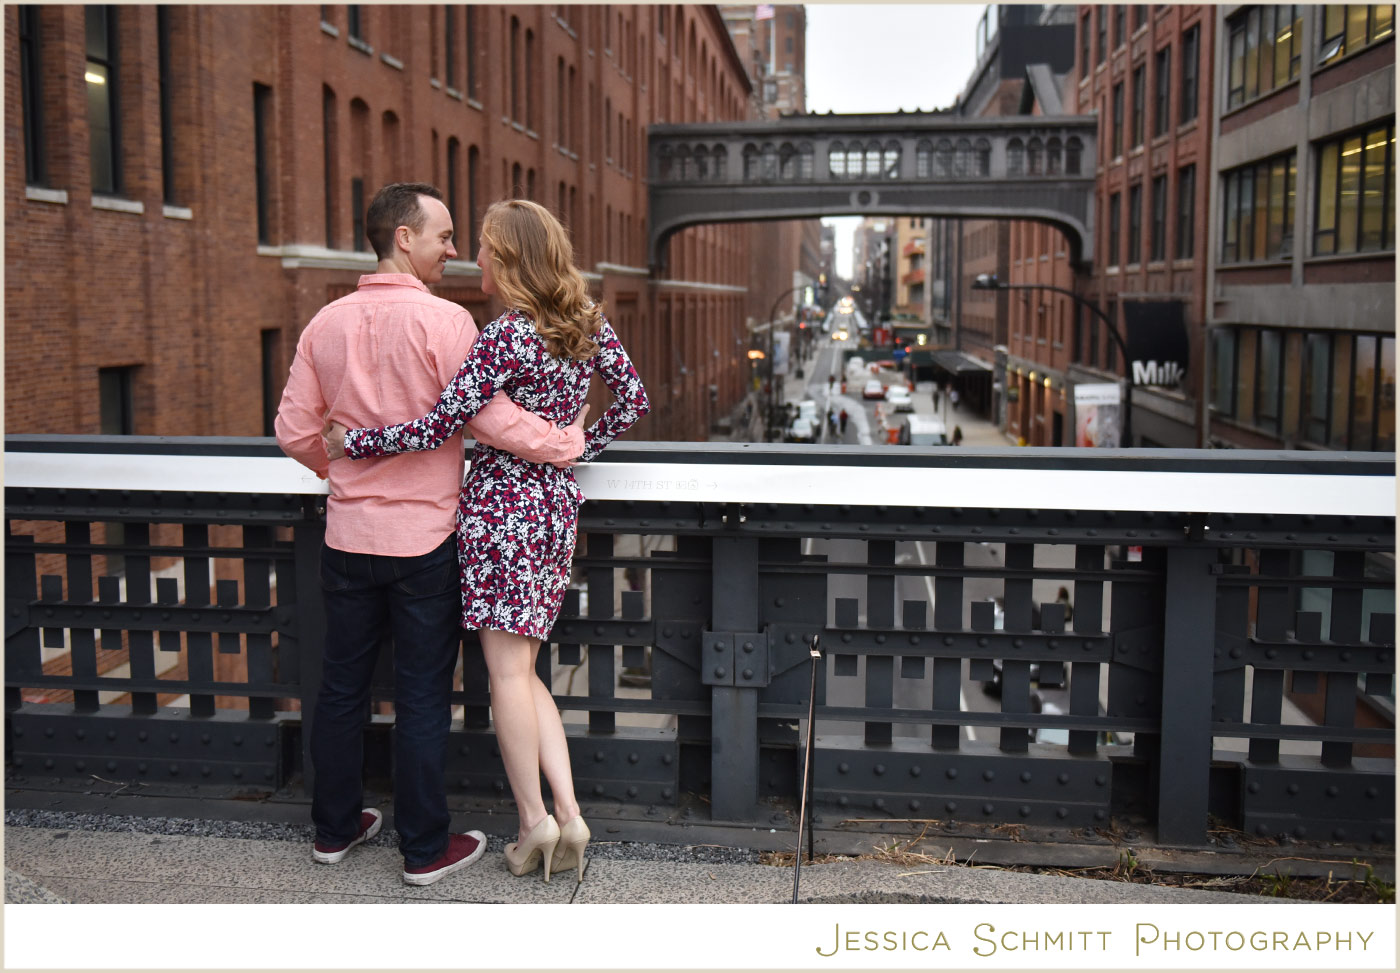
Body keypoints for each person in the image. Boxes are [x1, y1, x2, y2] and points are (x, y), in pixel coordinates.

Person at [327, 199, 650, 885]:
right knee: (525, 669)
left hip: (501, 507)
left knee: (507, 673)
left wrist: (355, 441)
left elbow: (441, 422)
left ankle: (534, 820)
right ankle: (569, 808)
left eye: (483, 247)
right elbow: (633, 398)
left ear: (508, 257)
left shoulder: (505, 334)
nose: (474, 258)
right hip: (555, 509)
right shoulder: (587, 321)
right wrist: (582, 442)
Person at [275, 184, 587, 887]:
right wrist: (565, 443)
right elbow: (488, 422)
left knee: (341, 685)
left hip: (348, 535)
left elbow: (294, 429)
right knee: (421, 693)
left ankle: (333, 830)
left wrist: (347, 467)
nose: (453, 249)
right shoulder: (449, 324)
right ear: (403, 238)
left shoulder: (324, 323)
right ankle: (423, 849)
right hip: (427, 540)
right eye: (443, 235)